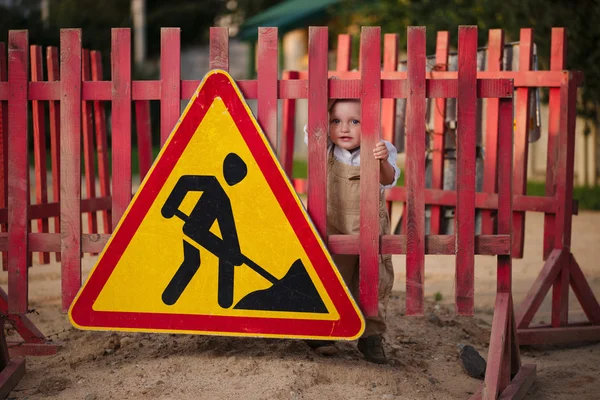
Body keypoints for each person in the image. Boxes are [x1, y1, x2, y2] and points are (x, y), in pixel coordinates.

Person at [304, 98, 400, 364]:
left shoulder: (381, 148)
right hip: (333, 223)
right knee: (332, 273)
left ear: (370, 124)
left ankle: (371, 337)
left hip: (369, 227)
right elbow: (311, 127)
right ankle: (324, 331)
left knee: (372, 278)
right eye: (336, 121)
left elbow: (388, 179)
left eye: (354, 122)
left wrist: (381, 161)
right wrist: (327, 95)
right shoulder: (325, 146)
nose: (344, 129)